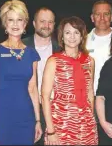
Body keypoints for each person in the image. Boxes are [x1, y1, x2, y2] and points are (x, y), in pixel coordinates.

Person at [0, 0, 42, 145]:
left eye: (19, 20)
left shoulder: (31, 54)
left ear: (25, 24)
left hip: (26, 117)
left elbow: (33, 89)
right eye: (11, 20)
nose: (15, 24)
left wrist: (38, 121)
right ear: (5, 23)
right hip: (1, 116)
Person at [42, 16, 98, 145]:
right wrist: (51, 130)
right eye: (67, 32)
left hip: (85, 121)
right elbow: (45, 97)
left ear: (82, 36)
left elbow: (90, 92)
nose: (72, 37)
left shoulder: (90, 61)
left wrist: (91, 118)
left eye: (76, 32)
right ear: (62, 36)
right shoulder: (53, 61)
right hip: (61, 120)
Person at [22, 7, 60, 145]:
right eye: (42, 21)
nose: (46, 25)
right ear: (34, 23)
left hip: (53, 109)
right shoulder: (21, 46)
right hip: (27, 108)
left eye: (50, 22)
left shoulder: (61, 48)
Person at [86, 0, 112, 96]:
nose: (102, 18)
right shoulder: (82, 41)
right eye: (98, 14)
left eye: (106, 14)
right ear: (92, 18)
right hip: (90, 96)